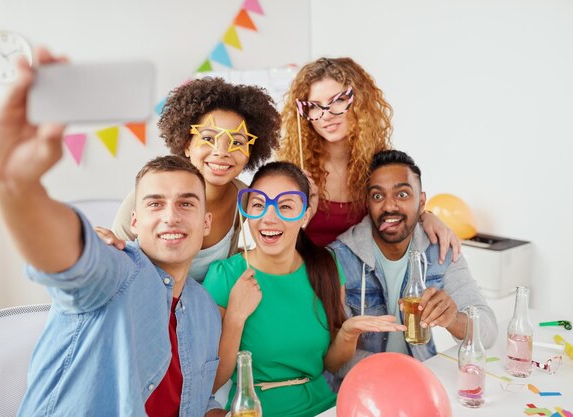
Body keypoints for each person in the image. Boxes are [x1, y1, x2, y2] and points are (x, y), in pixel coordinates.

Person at [0, 49, 223, 417]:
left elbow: (196, 399)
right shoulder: (117, 273)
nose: (171, 216)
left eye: (187, 203)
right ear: (136, 220)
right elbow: (70, 261)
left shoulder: (204, 309)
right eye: (155, 204)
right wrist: (16, 186)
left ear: (206, 223)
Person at [203, 161, 405, 417]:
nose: (269, 217)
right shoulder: (225, 276)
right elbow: (210, 383)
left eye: (285, 206)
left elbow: (331, 364)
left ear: (305, 216)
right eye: (258, 205)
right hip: (257, 410)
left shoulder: (326, 267)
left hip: (324, 406)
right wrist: (235, 317)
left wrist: (348, 332)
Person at [328, 150, 497, 386]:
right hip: (363, 386)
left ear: (422, 202)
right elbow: (333, 357)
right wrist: (402, 377)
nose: (389, 206)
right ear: (367, 203)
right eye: (378, 196)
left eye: (403, 194)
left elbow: (487, 332)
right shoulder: (339, 258)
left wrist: (453, 319)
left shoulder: (442, 250)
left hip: (422, 378)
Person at [277, 57, 460, 263]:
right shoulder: (293, 170)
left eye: (338, 100)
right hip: (305, 277)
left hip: (365, 285)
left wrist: (427, 216)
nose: (326, 115)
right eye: (314, 106)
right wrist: (305, 213)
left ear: (359, 103)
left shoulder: (380, 166)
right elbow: (275, 240)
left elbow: (398, 211)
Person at [106, 77, 281, 281]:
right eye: (208, 138)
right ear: (187, 144)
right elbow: (114, 262)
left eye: (237, 142)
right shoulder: (148, 194)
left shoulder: (246, 199)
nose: (221, 152)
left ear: (250, 151)